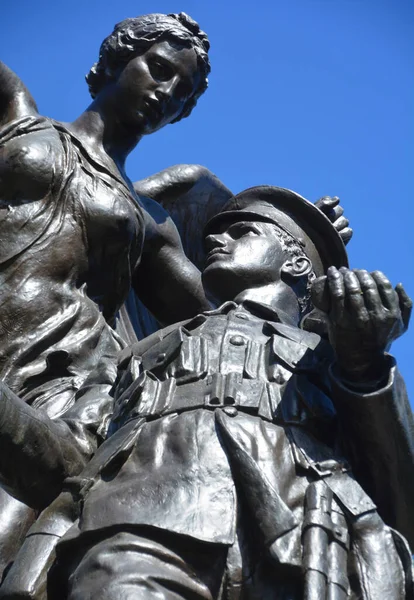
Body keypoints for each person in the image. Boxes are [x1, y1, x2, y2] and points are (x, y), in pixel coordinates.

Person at [0, 187, 412, 599]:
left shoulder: (333, 356)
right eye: (218, 234)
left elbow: (394, 483)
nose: (216, 240)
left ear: (297, 262)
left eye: (243, 232)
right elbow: (68, 456)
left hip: (303, 547)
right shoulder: (141, 353)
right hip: (138, 529)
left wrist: (364, 368)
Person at [0, 11, 212, 575]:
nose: (167, 92)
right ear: (119, 60)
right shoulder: (18, 118)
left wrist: (303, 254)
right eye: (160, 69)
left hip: (57, 380)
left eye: (182, 91)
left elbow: (215, 311)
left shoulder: (150, 220)